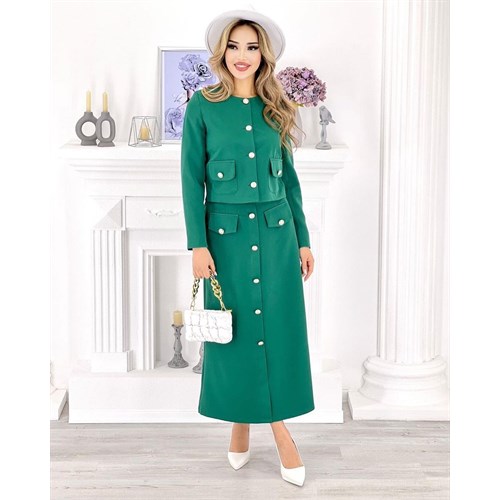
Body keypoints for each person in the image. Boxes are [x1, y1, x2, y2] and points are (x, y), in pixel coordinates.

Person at [180, 8, 315, 487]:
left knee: (278, 332)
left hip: (278, 237)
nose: (242, 55)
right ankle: (243, 423)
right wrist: (198, 245)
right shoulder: (202, 106)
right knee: (234, 335)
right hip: (226, 241)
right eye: (234, 46)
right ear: (222, 53)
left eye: (252, 47)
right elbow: (190, 180)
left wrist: (303, 239)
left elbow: (290, 181)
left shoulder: (279, 104)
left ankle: (277, 430)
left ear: (264, 54)